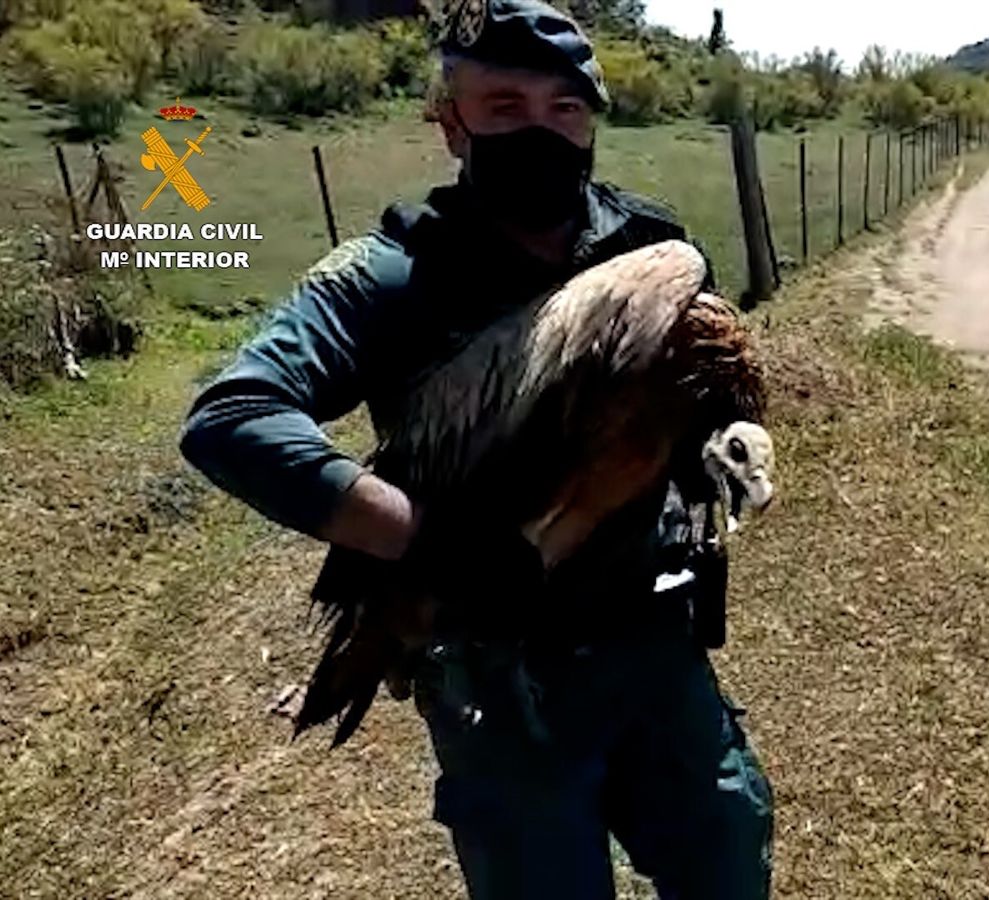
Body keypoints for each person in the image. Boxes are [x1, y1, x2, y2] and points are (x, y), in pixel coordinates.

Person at [177, 2, 773, 896]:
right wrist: (437, 547)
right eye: (504, 106)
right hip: (499, 672)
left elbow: (669, 409)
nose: (540, 128)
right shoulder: (391, 277)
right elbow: (232, 418)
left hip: (652, 642)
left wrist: (724, 436)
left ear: (592, 121)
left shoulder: (653, 244)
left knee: (726, 865)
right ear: (449, 122)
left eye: (564, 108)